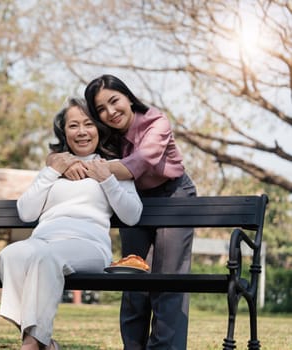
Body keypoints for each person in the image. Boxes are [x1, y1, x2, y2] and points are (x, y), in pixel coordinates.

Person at [0, 97, 143, 350]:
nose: (82, 132)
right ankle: (46, 343)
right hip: (42, 242)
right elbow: (26, 212)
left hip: (88, 246)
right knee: (10, 255)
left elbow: (132, 215)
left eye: (89, 124)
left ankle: (31, 343)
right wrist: (53, 171)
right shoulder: (54, 167)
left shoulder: (111, 167)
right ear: (64, 132)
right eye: (73, 125)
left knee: (44, 257)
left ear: (99, 128)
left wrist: (106, 179)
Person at [79, 74, 197, 350]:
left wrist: (96, 168)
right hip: (132, 200)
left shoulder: (157, 123)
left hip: (173, 196)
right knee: (133, 281)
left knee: (167, 283)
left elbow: (139, 163)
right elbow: (67, 144)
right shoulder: (106, 135)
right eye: (101, 110)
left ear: (128, 97)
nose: (110, 112)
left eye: (114, 101)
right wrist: (60, 161)